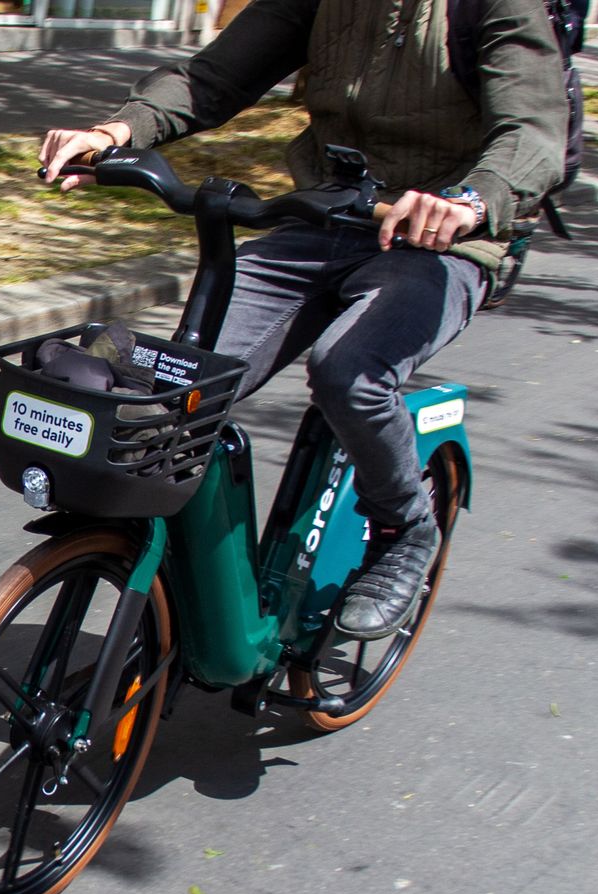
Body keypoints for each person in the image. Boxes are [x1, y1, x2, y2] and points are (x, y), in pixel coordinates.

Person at [39, 0, 569, 639]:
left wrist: (472, 199)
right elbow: (212, 78)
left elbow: (534, 130)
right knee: (179, 380)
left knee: (349, 372)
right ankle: (181, 581)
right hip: (323, 219)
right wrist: (117, 133)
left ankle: (405, 527)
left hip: (442, 242)